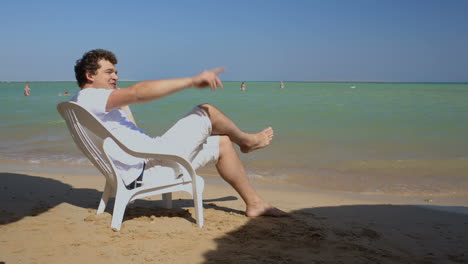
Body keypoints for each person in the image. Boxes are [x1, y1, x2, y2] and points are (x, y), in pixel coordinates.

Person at [71, 49, 288, 217]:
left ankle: (255, 204)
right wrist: (191, 81)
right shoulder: (93, 98)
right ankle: (247, 141)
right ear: (90, 75)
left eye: (116, 72)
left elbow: (131, 130)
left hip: (141, 166)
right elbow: (138, 93)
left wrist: (123, 105)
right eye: (109, 72)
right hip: (151, 167)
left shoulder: (82, 103)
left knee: (222, 142)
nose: (116, 77)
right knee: (207, 110)